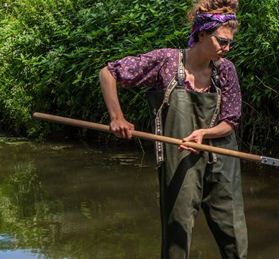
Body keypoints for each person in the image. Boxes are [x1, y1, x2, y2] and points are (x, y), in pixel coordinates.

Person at [97, 1, 246, 258]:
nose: (227, 48)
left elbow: (230, 121)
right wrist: (117, 117)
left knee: (234, 237)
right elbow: (108, 73)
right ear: (202, 34)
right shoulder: (166, 61)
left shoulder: (226, 71)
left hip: (222, 159)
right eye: (222, 41)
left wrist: (204, 134)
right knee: (177, 236)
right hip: (180, 159)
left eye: (230, 43)